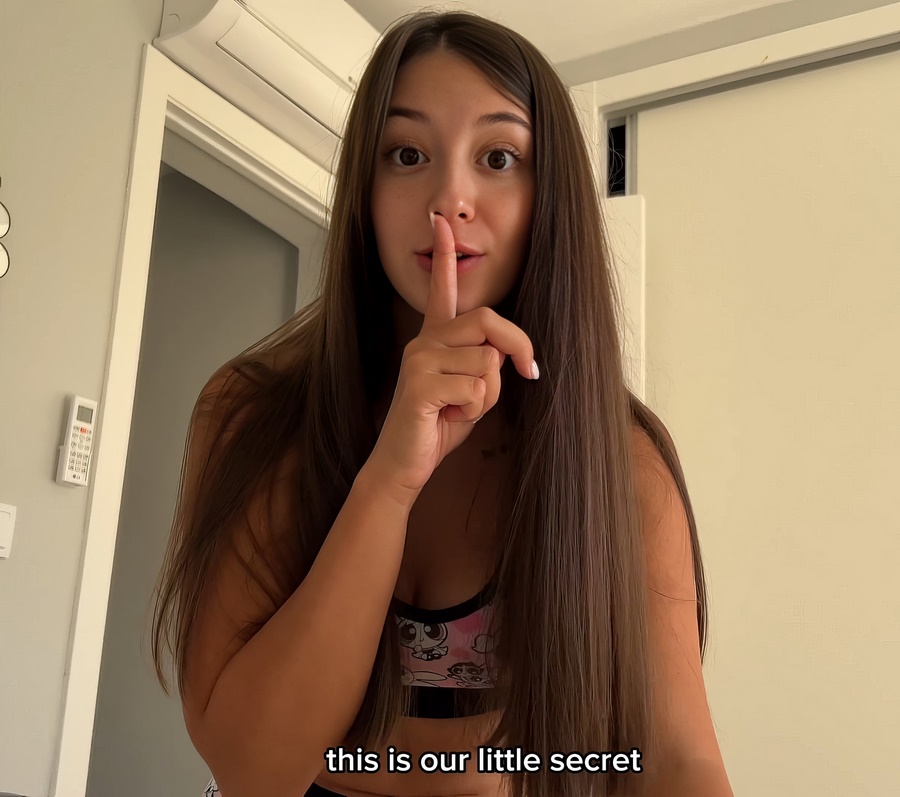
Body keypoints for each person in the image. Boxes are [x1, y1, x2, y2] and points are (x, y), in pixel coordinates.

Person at [151, 10, 733, 797]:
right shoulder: (255, 412)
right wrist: (390, 479)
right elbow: (253, 771)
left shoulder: (617, 455)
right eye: (407, 154)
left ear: (549, 198)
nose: (449, 197)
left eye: (498, 157)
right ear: (365, 189)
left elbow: (677, 761)